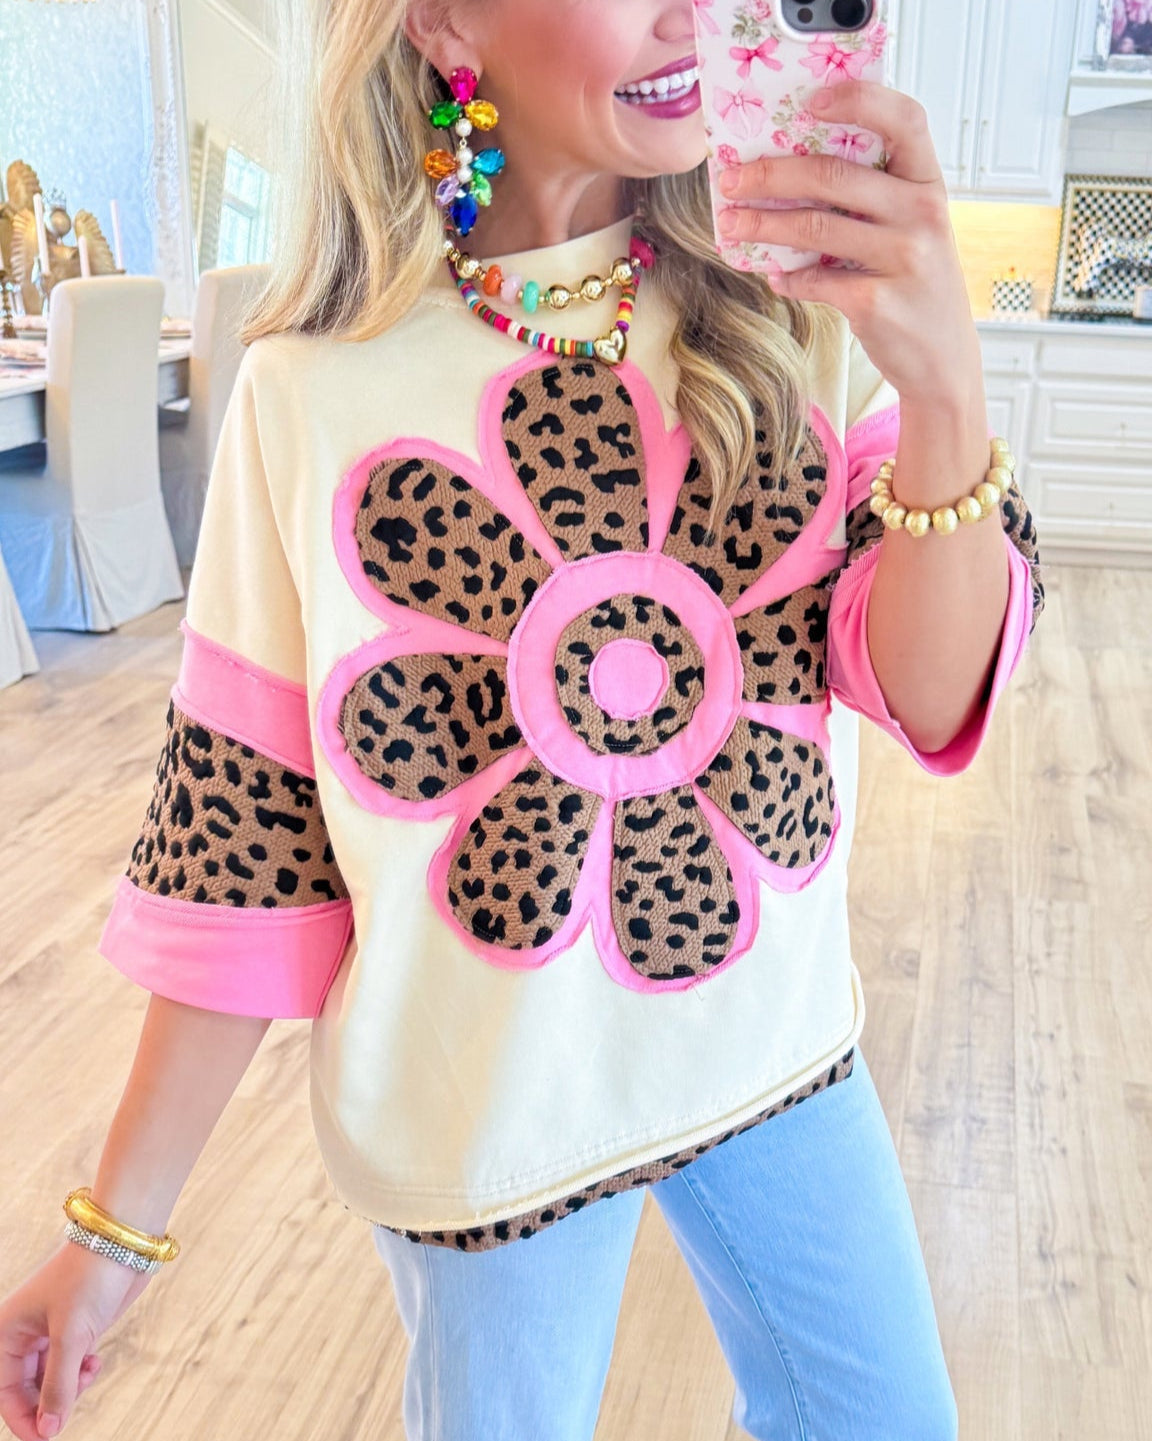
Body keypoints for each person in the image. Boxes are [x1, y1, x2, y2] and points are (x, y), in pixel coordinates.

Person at [0, 2, 1045, 1439]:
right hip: (486, 1114)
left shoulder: (796, 310)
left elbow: (928, 689)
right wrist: (116, 1236)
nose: (690, 14)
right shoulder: (309, 394)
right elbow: (244, 839)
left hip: (778, 1047)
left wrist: (943, 387)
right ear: (442, 20)